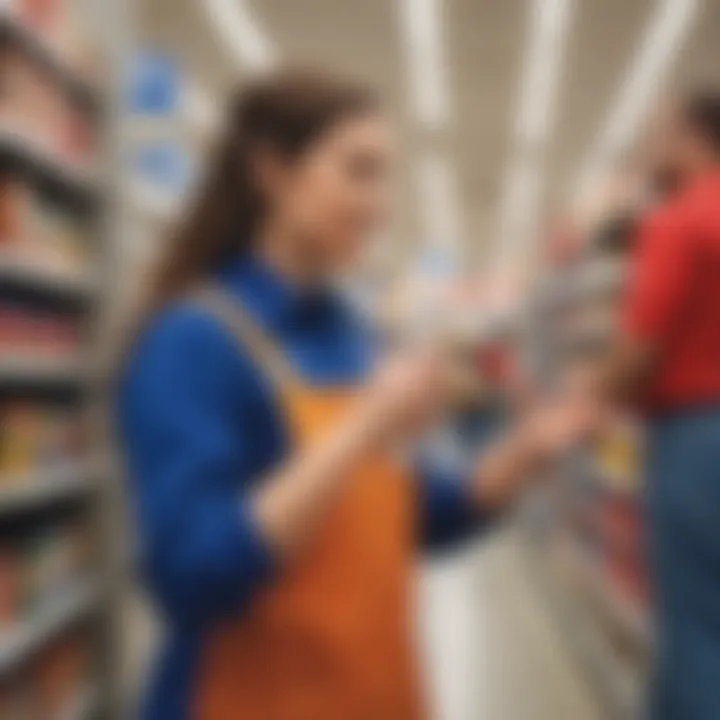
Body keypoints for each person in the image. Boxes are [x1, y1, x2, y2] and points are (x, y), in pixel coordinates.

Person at [118, 70, 587, 720]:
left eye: (385, 175)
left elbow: (406, 516)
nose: (382, 202)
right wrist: (366, 424)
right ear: (273, 172)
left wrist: (524, 454)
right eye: (358, 171)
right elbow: (193, 577)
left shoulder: (351, 333)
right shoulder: (193, 342)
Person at [580, 90, 720, 720]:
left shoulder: (678, 220)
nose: (650, 151)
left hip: (697, 438)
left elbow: (639, 343)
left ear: (694, 138)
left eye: (661, 135)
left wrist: (590, 401)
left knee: (694, 624)